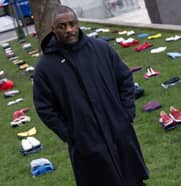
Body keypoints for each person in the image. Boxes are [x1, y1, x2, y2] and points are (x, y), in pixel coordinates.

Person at [32, 5, 149, 186]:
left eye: (72, 24)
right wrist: (71, 135)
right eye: (62, 26)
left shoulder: (101, 48)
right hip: (86, 144)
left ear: (78, 24)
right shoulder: (45, 68)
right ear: (53, 29)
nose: (69, 30)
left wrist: (126, 115)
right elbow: (45, 108)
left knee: (132, 179)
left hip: (119, 133)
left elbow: (125, 78)